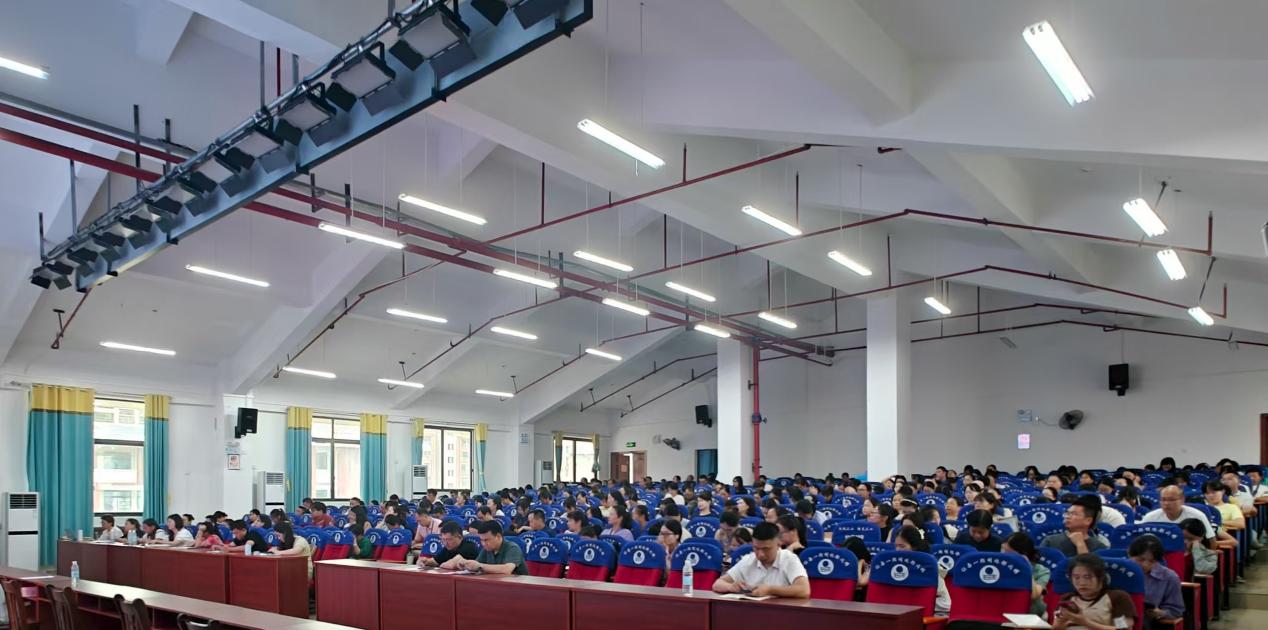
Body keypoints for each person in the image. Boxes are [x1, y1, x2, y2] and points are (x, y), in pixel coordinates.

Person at [712, 522, 810, 599]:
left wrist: (770, 590)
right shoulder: (748, 560)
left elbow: (804, 590)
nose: (760, 554)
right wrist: (730, 587)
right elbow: (717, 584)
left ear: (778, 544)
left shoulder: (789, 559)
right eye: (756, 548)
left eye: (766, 549)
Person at [1052, 553, 1136, 630]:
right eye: (1076, 577)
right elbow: (1056, 627)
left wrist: (1085, 622)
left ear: (1101, 578)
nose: (1082, 583)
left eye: (1088, 577)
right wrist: (1060, 622)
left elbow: (1124, 629)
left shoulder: (1117, 597)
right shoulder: (1067, 598)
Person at [1127, 535, 1184, 628]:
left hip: (1147, 621)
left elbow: (1176, 610)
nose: (1145, 565)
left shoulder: (1169, 577)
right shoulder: (1120, 571)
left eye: (1152, 561)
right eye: (1140, 559)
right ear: (1129, 554)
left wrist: (1160, 613)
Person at [893, 525, 951, 615]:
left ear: (914, 547)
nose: (897, 550)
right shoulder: (892, 566)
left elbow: (945, 604)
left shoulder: (928, 567)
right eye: (896, 546)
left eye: (902, 546)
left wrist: (920, 604)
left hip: (923, 615)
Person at [1141, 484, 1219, 542]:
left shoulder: (1197, 515)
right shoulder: (1150, 517)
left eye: (1171, 500)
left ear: (1182, 500)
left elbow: (1211, 540)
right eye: (1163, 500)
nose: (1166, 503)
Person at [443, 521, 527, 575]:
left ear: (498, 536)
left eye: (486, 540)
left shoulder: (512, 548)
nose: (483, 544)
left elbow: (507, 569)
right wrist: (466, 565)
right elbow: (476, 565)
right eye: (481, 540)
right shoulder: (487, 549)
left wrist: (480, 566)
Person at [1041, 495, 1109, 558]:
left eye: (1073, 514)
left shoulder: (1099, 547)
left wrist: (1080, 544)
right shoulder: (1050, 541)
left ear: (1088, 520)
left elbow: (1089, 566)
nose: (1067, 517)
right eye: (1067, 513)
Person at [1004, 532, 1050, 619]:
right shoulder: (1000, 568)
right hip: (1005, 612)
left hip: (1032, 614)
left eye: (1009, 552)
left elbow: (1033, 595)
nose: (1004, 556)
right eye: (1003, 551)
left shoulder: (1041, 571)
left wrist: (1026, 568)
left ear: (1024, 554)